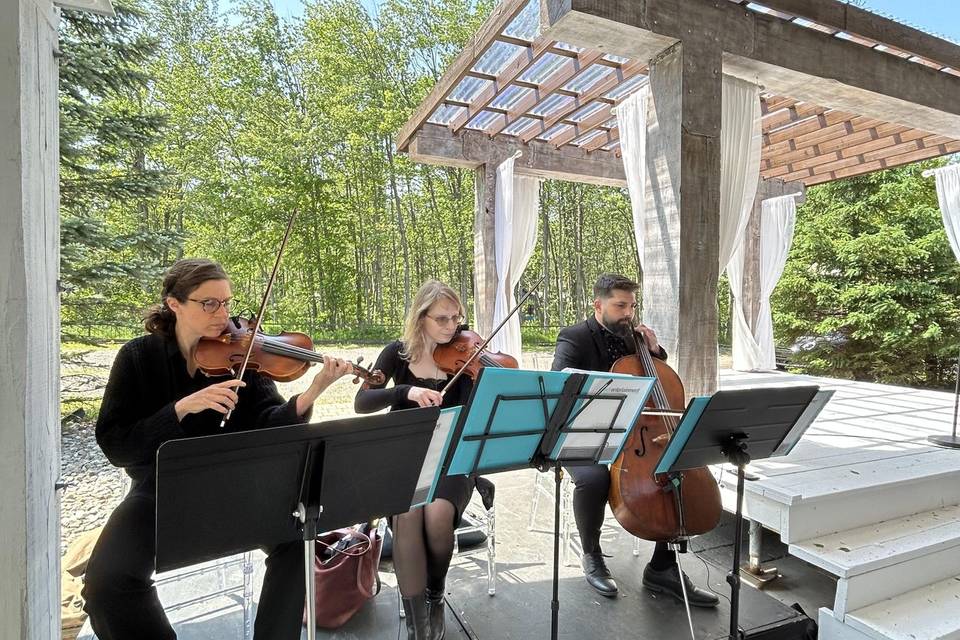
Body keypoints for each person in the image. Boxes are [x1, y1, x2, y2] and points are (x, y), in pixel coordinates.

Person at [82, 258, 354, 640]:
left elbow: (268, 424)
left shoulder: (242, 357)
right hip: (162, 490)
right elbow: (116, 445)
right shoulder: (138, 358)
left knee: (296, 542)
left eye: (227, 302)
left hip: (238, 484)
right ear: (174, 304)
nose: (223, 314)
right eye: (209, 303)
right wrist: (181, 408)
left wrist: (311, 392)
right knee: (106, 583)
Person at [551, 273, 719, 607]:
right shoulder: (574, 337)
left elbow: (661, 380)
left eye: (631, 305)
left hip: (637, 434)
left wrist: (654, 350)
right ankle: (592, 554)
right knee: (593, 478)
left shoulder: (635, 339)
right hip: (586, 431)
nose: (628, 313)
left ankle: (663, 567)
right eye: (619, 305)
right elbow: (560, 377)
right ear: (598, 304)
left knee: (675, 471)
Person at [355, 279, 477, 640]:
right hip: (403, 453)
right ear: (420, 317)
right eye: (441, 318)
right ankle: (416, 623)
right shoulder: (398, 353)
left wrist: (479, 370)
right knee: (408, 513)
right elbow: (362, 403)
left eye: (456, 318)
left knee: (438, 511)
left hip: (452, 455)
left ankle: (435, 594)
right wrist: (406, 390)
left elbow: (477, 413)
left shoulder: (467, 354)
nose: (451, 326)